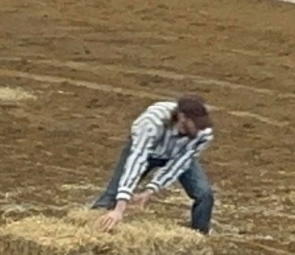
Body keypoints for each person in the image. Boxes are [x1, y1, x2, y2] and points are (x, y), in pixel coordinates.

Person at [92, 94, 215, 235]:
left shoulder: (203, 133)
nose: (200, 129)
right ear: (182, 117)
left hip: (177, 153)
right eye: (196, 123)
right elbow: (137, 161)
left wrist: (150, 190)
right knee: (112, 195)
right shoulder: (152, 123)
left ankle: (200, 235)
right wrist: (119, 209)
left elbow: (179, 164)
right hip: (145, 148)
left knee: (204, 194)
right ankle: (92, 226)